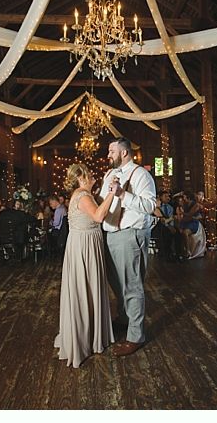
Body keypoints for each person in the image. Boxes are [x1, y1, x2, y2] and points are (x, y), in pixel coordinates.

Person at [100, 138, 157, 357]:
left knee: (132, 286)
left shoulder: (141, 175)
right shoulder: (108, 175)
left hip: (130, 234)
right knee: (116, 282)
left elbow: (150, 206)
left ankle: (135, 336)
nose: (108, 155)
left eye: (111, 150)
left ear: (124, 153)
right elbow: (102, 201)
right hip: (110, 234)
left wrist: (123, 194)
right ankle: (124, 318)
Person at [55, 163, 116, 368]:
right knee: (86, 289)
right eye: (89, 176)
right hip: (85, 247)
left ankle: (89, 333)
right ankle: (87, 337)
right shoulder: (83, 196)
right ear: (80, 179)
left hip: (82, 244)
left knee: (85, 288)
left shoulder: (79, 195)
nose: (92, 178)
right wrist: (112, 193)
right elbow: (99, 216)